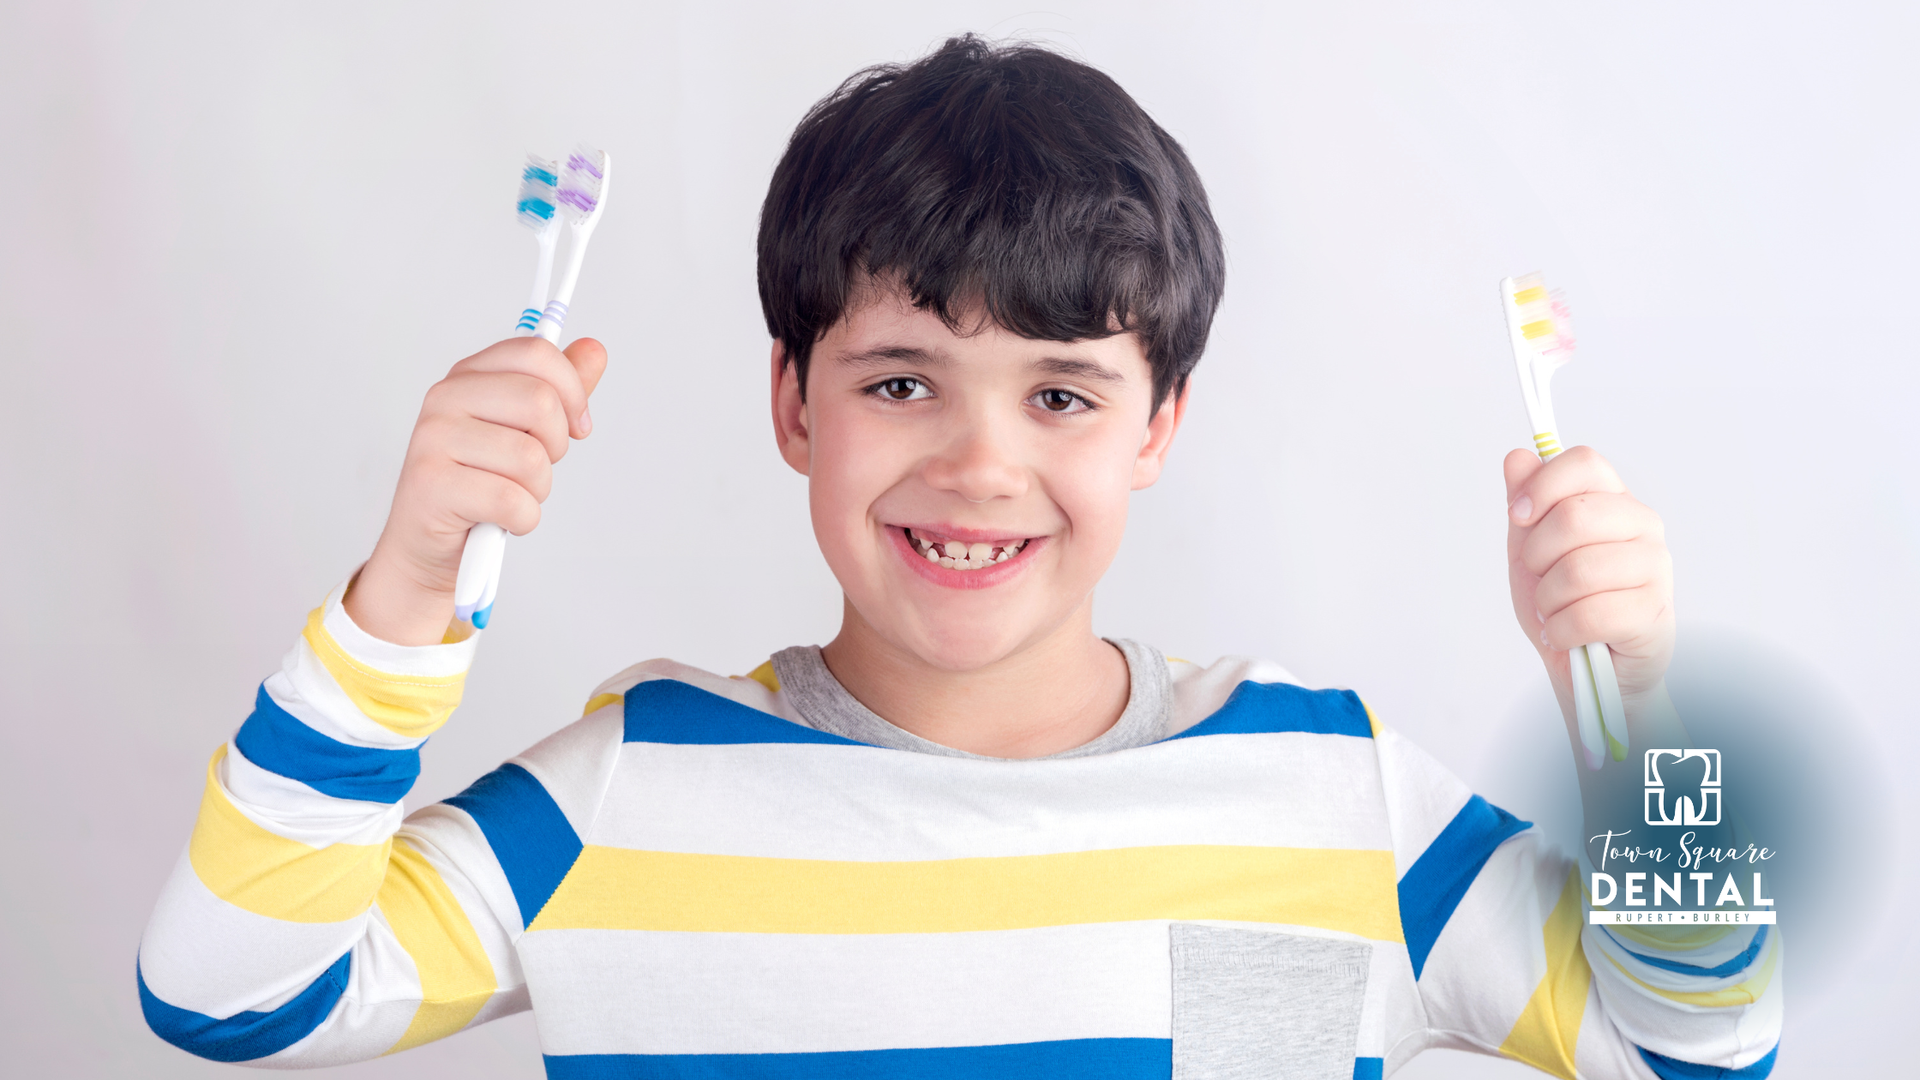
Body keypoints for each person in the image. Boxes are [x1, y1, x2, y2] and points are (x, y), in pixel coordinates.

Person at [137, 35, 1780, 1079]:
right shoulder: (623, 794)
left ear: (1157, 427)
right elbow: (232, 996)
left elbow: (1699, 1049)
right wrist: (409, 587)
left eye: (1062, 391)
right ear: (793, 402)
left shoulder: (1337, 793)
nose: (980, 464)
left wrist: (1638, 715)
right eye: (902, 380)